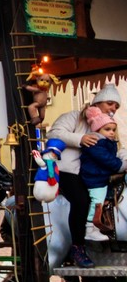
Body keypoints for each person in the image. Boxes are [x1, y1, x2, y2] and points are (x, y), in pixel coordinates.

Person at [48, 84, 127, 268]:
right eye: (110, 103)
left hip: (92, 173)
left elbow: (118, 148)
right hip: (69, 170)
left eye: (116, 106)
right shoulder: (74, 117)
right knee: (82, 201)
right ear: (97, 102)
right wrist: (80, 139)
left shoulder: (108, 126)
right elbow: (54, 133)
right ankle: (78, 247)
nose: (113, 108)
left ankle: (105, 241)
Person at [80, 107, 122, 253]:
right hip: (95, 178)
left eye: (113, 130)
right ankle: (90, 228)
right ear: (98, 130)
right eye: (107, 129)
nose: (111, 132)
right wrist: (120, 165)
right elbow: (106, 159)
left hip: (101, 176)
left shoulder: (107, 142)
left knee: (104, 200)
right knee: (97, 201)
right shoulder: (96, 143)